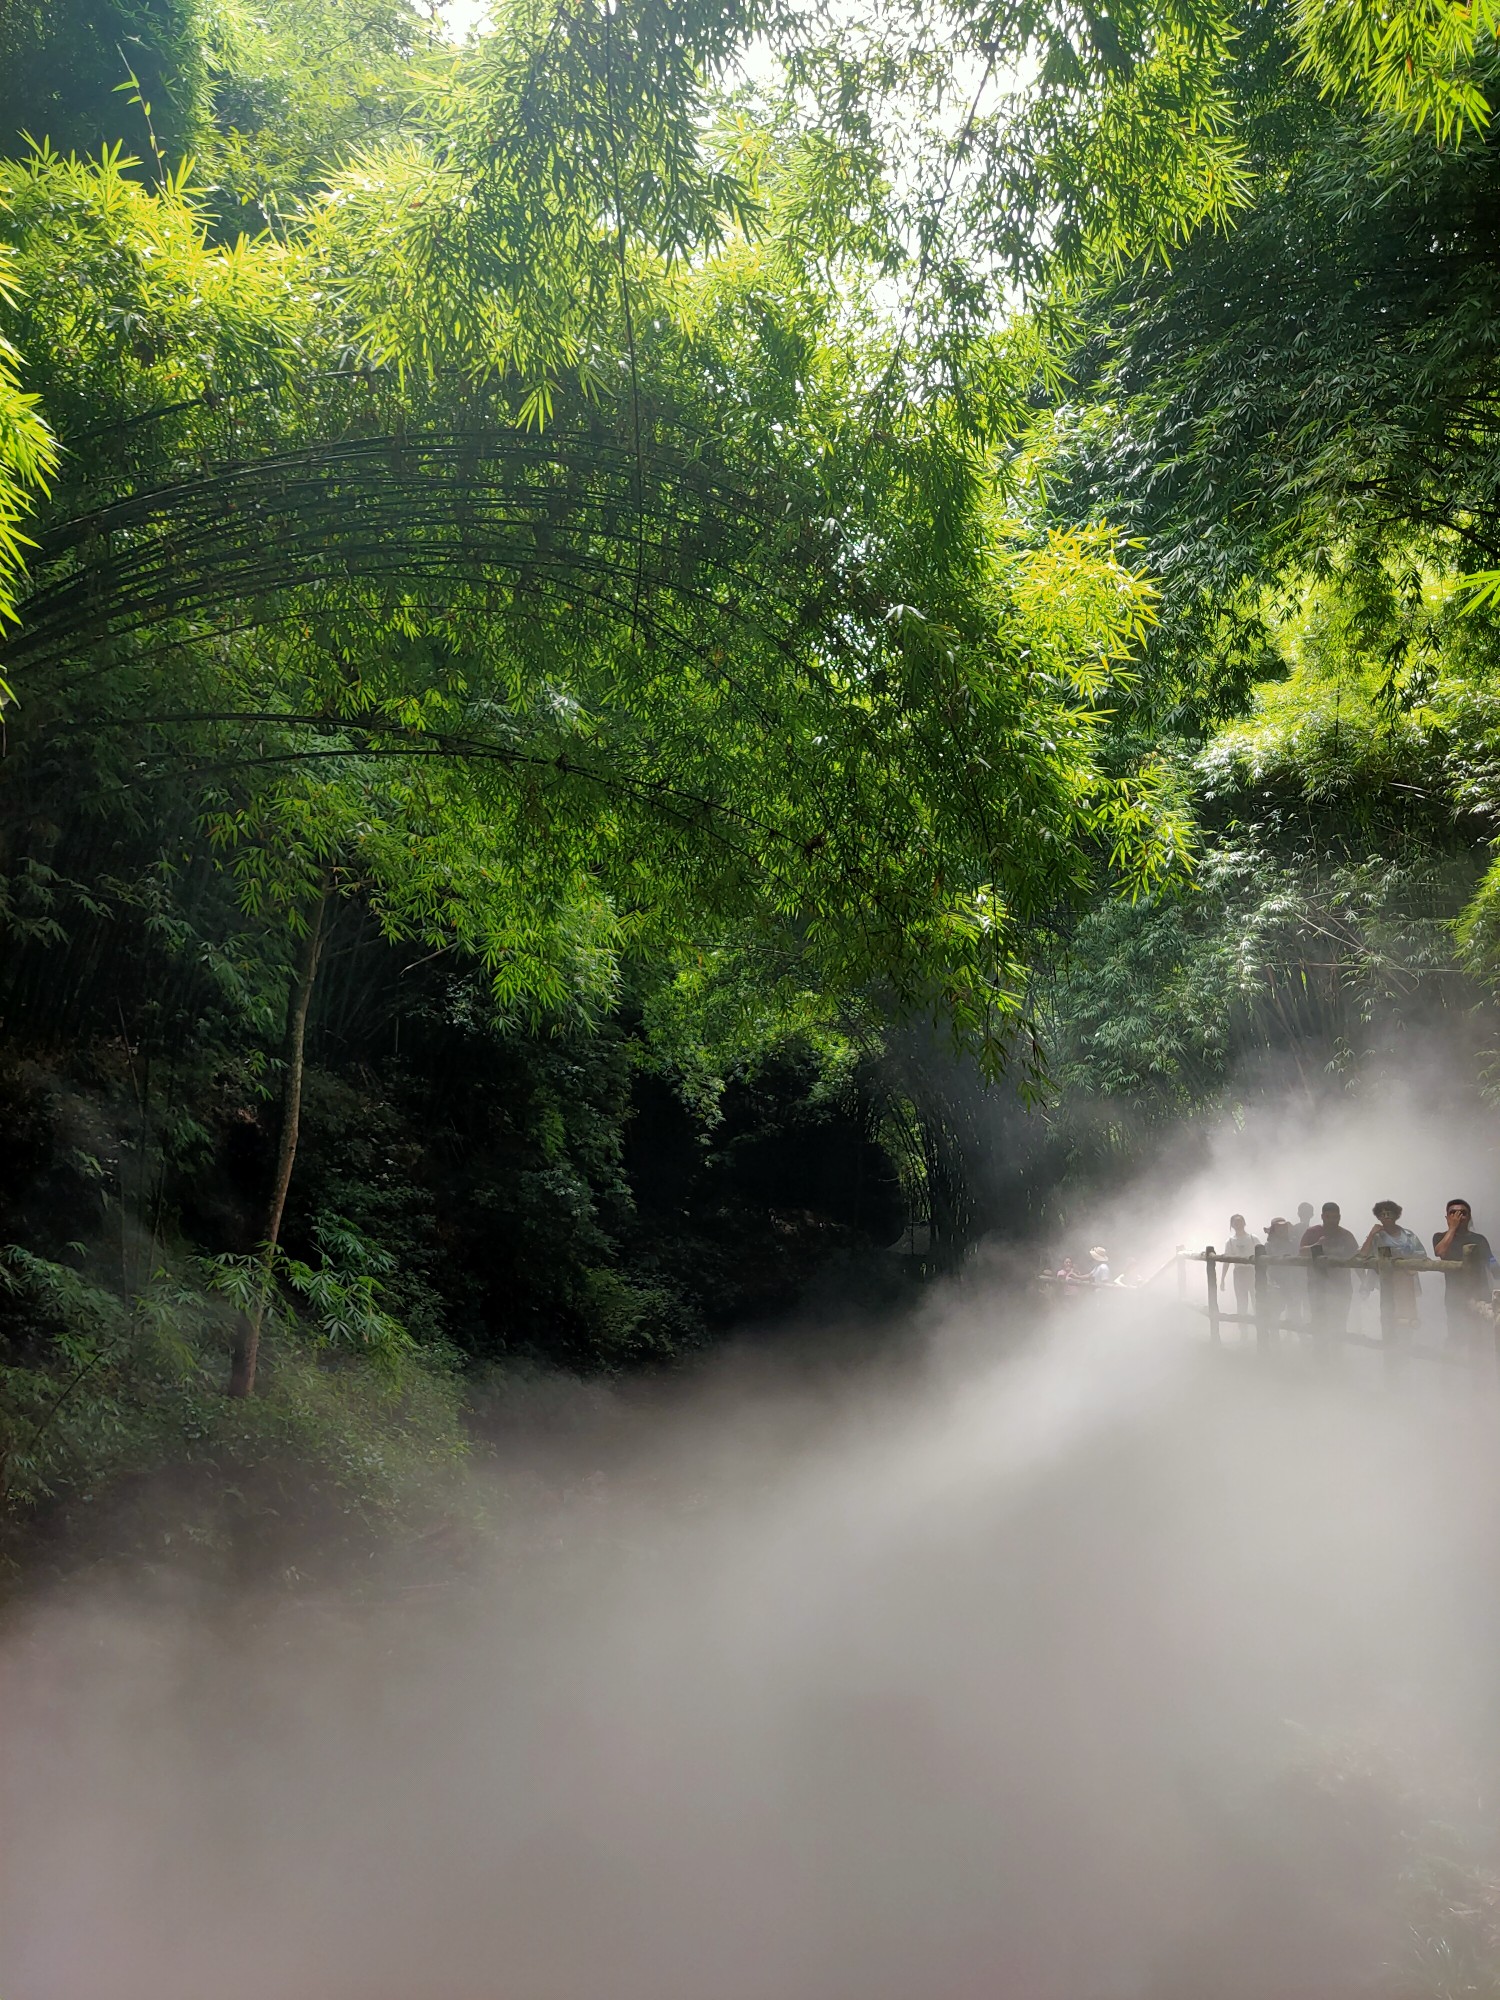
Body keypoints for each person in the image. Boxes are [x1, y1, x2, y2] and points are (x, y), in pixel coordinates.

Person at [1431, 1198, 1495, 1343]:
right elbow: (1440, 1252)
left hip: (1479, 1293)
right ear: (1447, 1217)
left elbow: (1491, 1260)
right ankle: (1454, 1363)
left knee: (1479, 1335)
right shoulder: (1440, 1237)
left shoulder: (1479, 1239)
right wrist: (1453, 1228)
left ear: (1469, 1217)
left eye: (1462, 1213)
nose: (1458, 1216)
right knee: (1456, 1333)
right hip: (1455, 1295)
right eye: (1453, 1213)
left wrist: (1494, 1265)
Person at [1358, 1200, 1422, 1329]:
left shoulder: (1408, 1235)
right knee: (1389, 1315)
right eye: (1383, 1214)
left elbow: (1421, 1255)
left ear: (1396, 1215)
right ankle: (1390, 1345)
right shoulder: (1377, 1237)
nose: (1386, 1216)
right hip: (1386, 1282)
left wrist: (1405, 1262)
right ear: (1378, 1217)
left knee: (1409, 1317)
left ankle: (1407, 1344)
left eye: (1389, 1213)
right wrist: (1371, 1234)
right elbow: (1363, 1254)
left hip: (1406, 1280)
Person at [1299, 1201, 1359, 1335]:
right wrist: (1317, 1245)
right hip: (1318, 1285)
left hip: (1342, 1286)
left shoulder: (1346, 1235)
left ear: (1339, 1217)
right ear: (1322, 1216)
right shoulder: (1313, 1232)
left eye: (1335, 1217)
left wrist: (1364, 1282)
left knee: (1340, 1323)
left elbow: (1356, 1257)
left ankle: (1338, 1353)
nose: (1332, 1220)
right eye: (1329, 1217)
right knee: (1319, 1323)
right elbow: (1301, 1251)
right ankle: (1320, 1353)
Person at [1220, 1214, 1258, 1330]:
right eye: (1235, 1222)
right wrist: (1222, 1279)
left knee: (1256, 1300)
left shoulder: (1253, 1238)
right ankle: (1243, 1333)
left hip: (1253, 1272)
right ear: (1232, 1225)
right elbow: (1226, 1260)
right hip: (1239, 1273)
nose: (1238, 1224)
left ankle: (1260, 1330)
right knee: (1241, 1303)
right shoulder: (1230, 1241)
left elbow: (1262, 1254)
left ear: (1244, 1223)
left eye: (1240, 1221)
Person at [1263, 1217, 1298, 1325]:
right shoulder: (1268, 1245)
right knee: (1276, 1308)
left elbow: (1296, 1258)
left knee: (1293, 1306)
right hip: (1274, 1279)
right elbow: (1266, 1263)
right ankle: (1275, 1335)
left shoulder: (1292, 1243)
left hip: (1289, 1279)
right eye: (1278, 1227)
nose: (1281, 1230)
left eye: (1284, 1227)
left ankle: (1294, 1334)